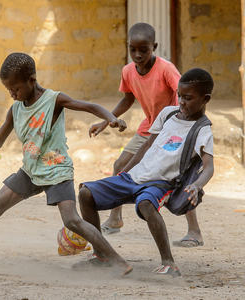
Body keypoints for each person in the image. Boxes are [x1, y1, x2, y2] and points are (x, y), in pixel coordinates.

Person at [0, 52, 133, 278]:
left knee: (72, 220)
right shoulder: (15, 110)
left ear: (32, 80)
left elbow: (89, 106)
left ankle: (117, 261)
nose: (12, 94)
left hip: (56, 169)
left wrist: (110, 118)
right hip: (30, 170)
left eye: (15, 88)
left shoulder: (53, 100)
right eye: (8, 89)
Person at [78, 68, 215, 277]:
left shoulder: (202, 130)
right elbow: (146, 146)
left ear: (205, 99)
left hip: (160, 183)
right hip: (134, 177)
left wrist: (197, 185)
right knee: (85, 193)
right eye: (179, 96)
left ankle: (169, 263)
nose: (181, 102)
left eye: (188, 98)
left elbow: (209, 166)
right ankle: (101, 255)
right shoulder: (167, 113)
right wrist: (123, 172)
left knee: (146, 204)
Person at [91, 23, 203, 247]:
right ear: (128, 47)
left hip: (173, 129)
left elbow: (184, 91)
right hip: (149, 127)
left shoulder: (165, 69)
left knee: (178, 177)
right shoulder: (128, 71)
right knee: (121, 165)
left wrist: (188, 123)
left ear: (155, 47)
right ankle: (115, 219)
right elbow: (127, 99)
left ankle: (194, 231)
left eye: (144, 50)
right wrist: (105, 121)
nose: (138, 55)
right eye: (133, 49)